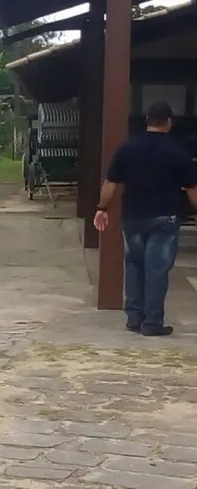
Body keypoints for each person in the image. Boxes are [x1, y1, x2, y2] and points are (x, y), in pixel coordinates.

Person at [94, 101, 197, 336]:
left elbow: (111, 182)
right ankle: (152, 322)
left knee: (134, 265)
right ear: (169, 123)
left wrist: (102, 208)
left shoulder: (127, 148)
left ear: (147, 121)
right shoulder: (177, 152)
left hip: (133, 218)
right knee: (156, 269)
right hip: (164, 218)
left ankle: (134, 317)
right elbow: (192, 188)